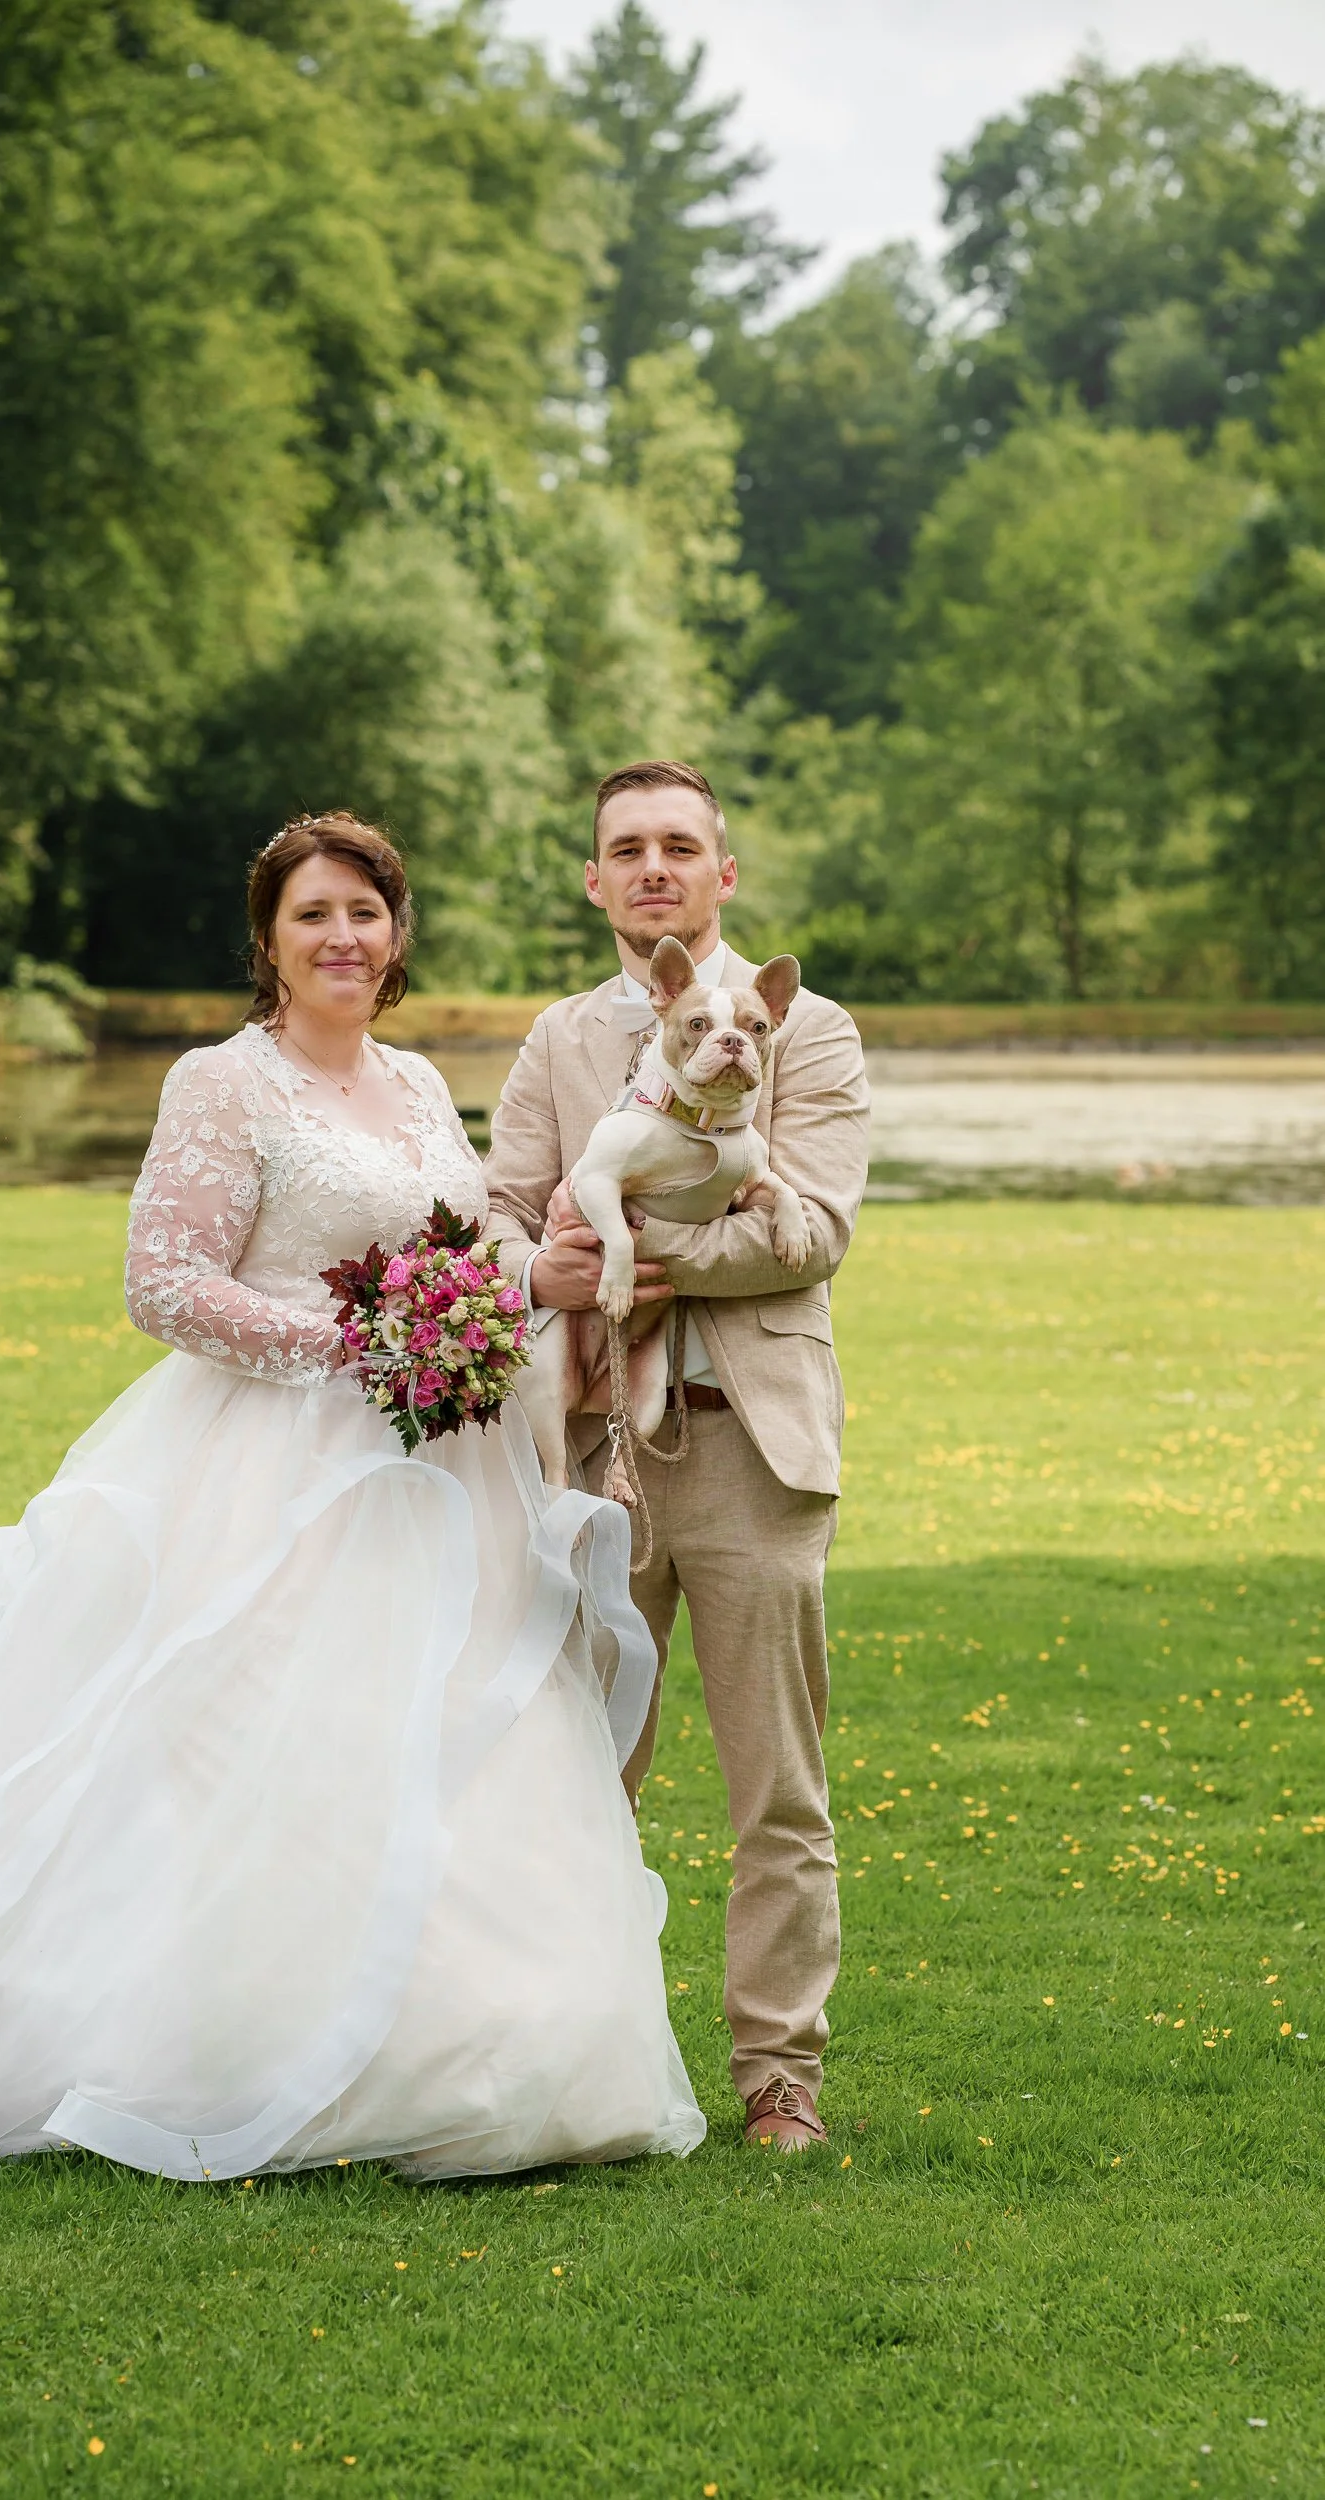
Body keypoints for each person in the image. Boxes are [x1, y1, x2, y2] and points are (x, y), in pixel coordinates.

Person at [0, 814, 702, 2181]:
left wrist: (503, 1297)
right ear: (268, 940)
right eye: (314, 915)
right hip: (271, 1472)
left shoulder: (412, 1081)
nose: (343, 939)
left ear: (397, 938)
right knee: (250, 1754)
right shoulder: (223, 1083)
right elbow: (164, 1285)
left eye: (366, 915)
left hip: (436, 1473)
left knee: (446, 1748)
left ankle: (493, 2057)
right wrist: (362, 1347)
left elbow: (456, 1257)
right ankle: (218, 2050)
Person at [482, 761, 870, 2152]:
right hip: (592, 1451)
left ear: (723, 872)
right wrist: (547, 1268)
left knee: (776, 1784)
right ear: (595, 882)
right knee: (581, 1772)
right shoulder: (557, 1039)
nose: (654, 868)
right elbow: (498, 1214)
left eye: (679, 847)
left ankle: (778, 2081)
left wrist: (636, 1268)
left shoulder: (804, 1030)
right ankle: (570, 2063)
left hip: (754, 1451)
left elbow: (808, 1228)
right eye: (625, 850)